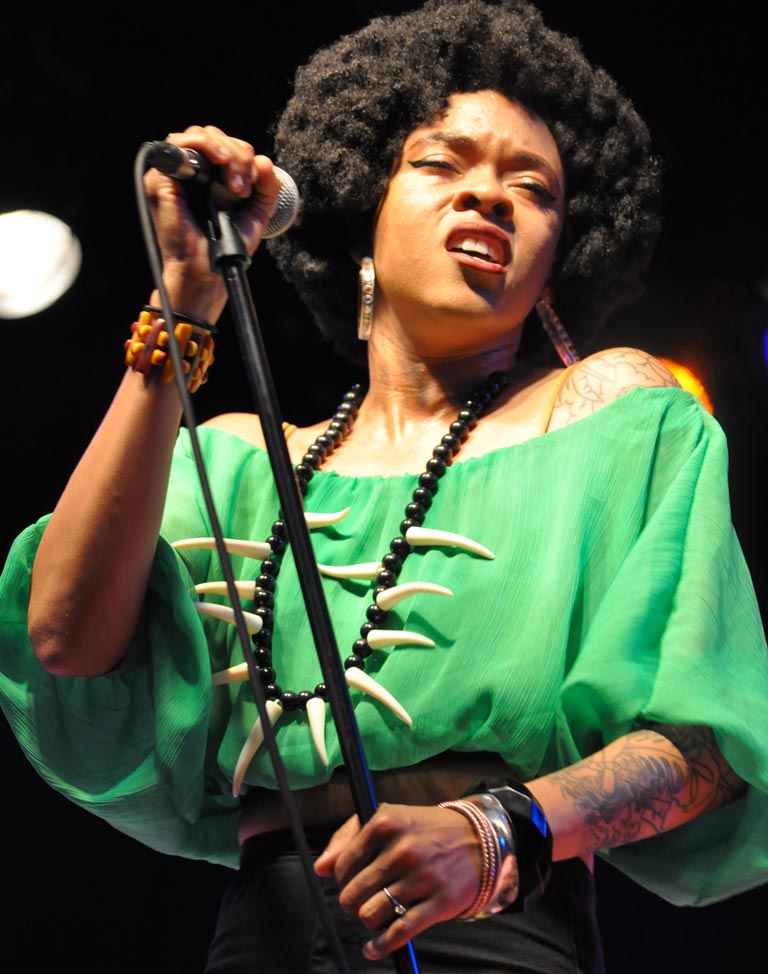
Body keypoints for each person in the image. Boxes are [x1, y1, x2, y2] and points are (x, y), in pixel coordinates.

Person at [1, 1, 767, 971]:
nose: (490, 195)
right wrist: (184, 298)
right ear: (364, 211)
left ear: (557, 262)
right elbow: (65, 638)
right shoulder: (238, 463)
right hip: (262, 939)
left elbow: (705, 748)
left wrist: (499, 829)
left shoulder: (610, 415)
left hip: (499, 933)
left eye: (534, 188)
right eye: (442, 163)